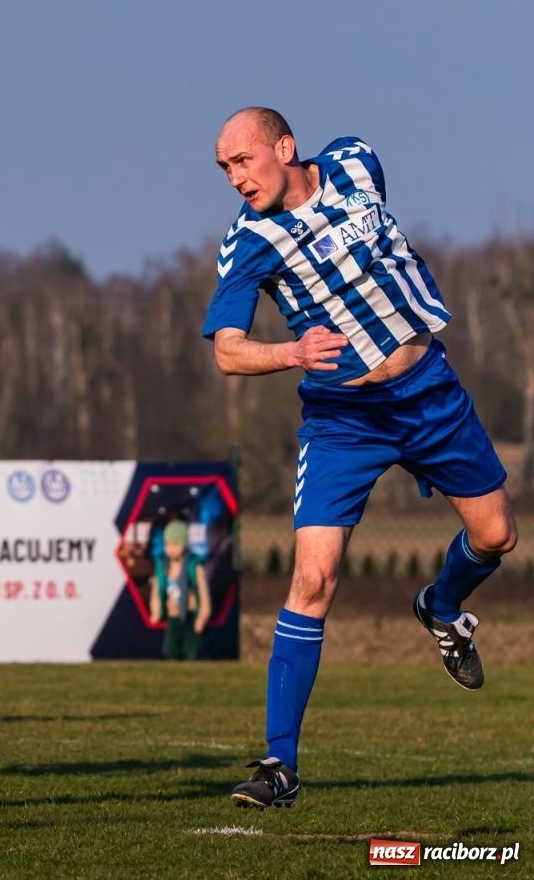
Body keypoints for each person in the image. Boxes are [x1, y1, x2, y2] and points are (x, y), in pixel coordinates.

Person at [202, 108, 517, 809]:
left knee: (498, 535)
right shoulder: (248, 240)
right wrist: (290, 352)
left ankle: (440, 605)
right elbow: (225, 347)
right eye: (225, 168)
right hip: (344, 418)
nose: (236, 178)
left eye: (244, 160)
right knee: (313, 577)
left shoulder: (354, 159)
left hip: (428, 390)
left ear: (285, 147)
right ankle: (278, 764)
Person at [148, 520, 210, 660]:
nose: (171, 548)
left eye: (176, 544)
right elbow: (157, 593)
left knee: (191, 651)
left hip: (190, 615)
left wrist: (202, 616)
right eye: (168, 544)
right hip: (173, 615)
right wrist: (156, 611)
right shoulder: (163, 568)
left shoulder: (194, 567)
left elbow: (203, 593)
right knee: (171, 649)